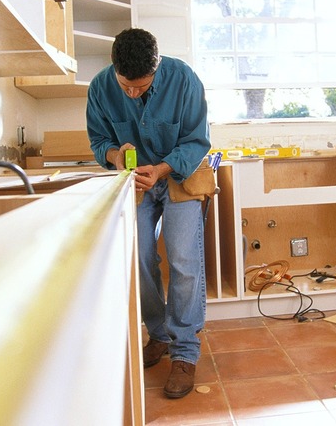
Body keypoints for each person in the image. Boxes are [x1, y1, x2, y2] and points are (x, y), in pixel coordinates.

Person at [86, 28, 211, 399]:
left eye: (141, 87)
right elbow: (98, 141)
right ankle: (158, 334)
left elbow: (196, 141)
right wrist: (113, 154)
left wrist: (161, 169)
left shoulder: (184, 79)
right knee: (139, 259)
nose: (133, 93)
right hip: (134, 181)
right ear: (115, 69)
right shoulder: (99, 88)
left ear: (156, 69)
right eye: (126, 86)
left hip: (179, 174)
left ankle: (185, 351)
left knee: (184, 258)